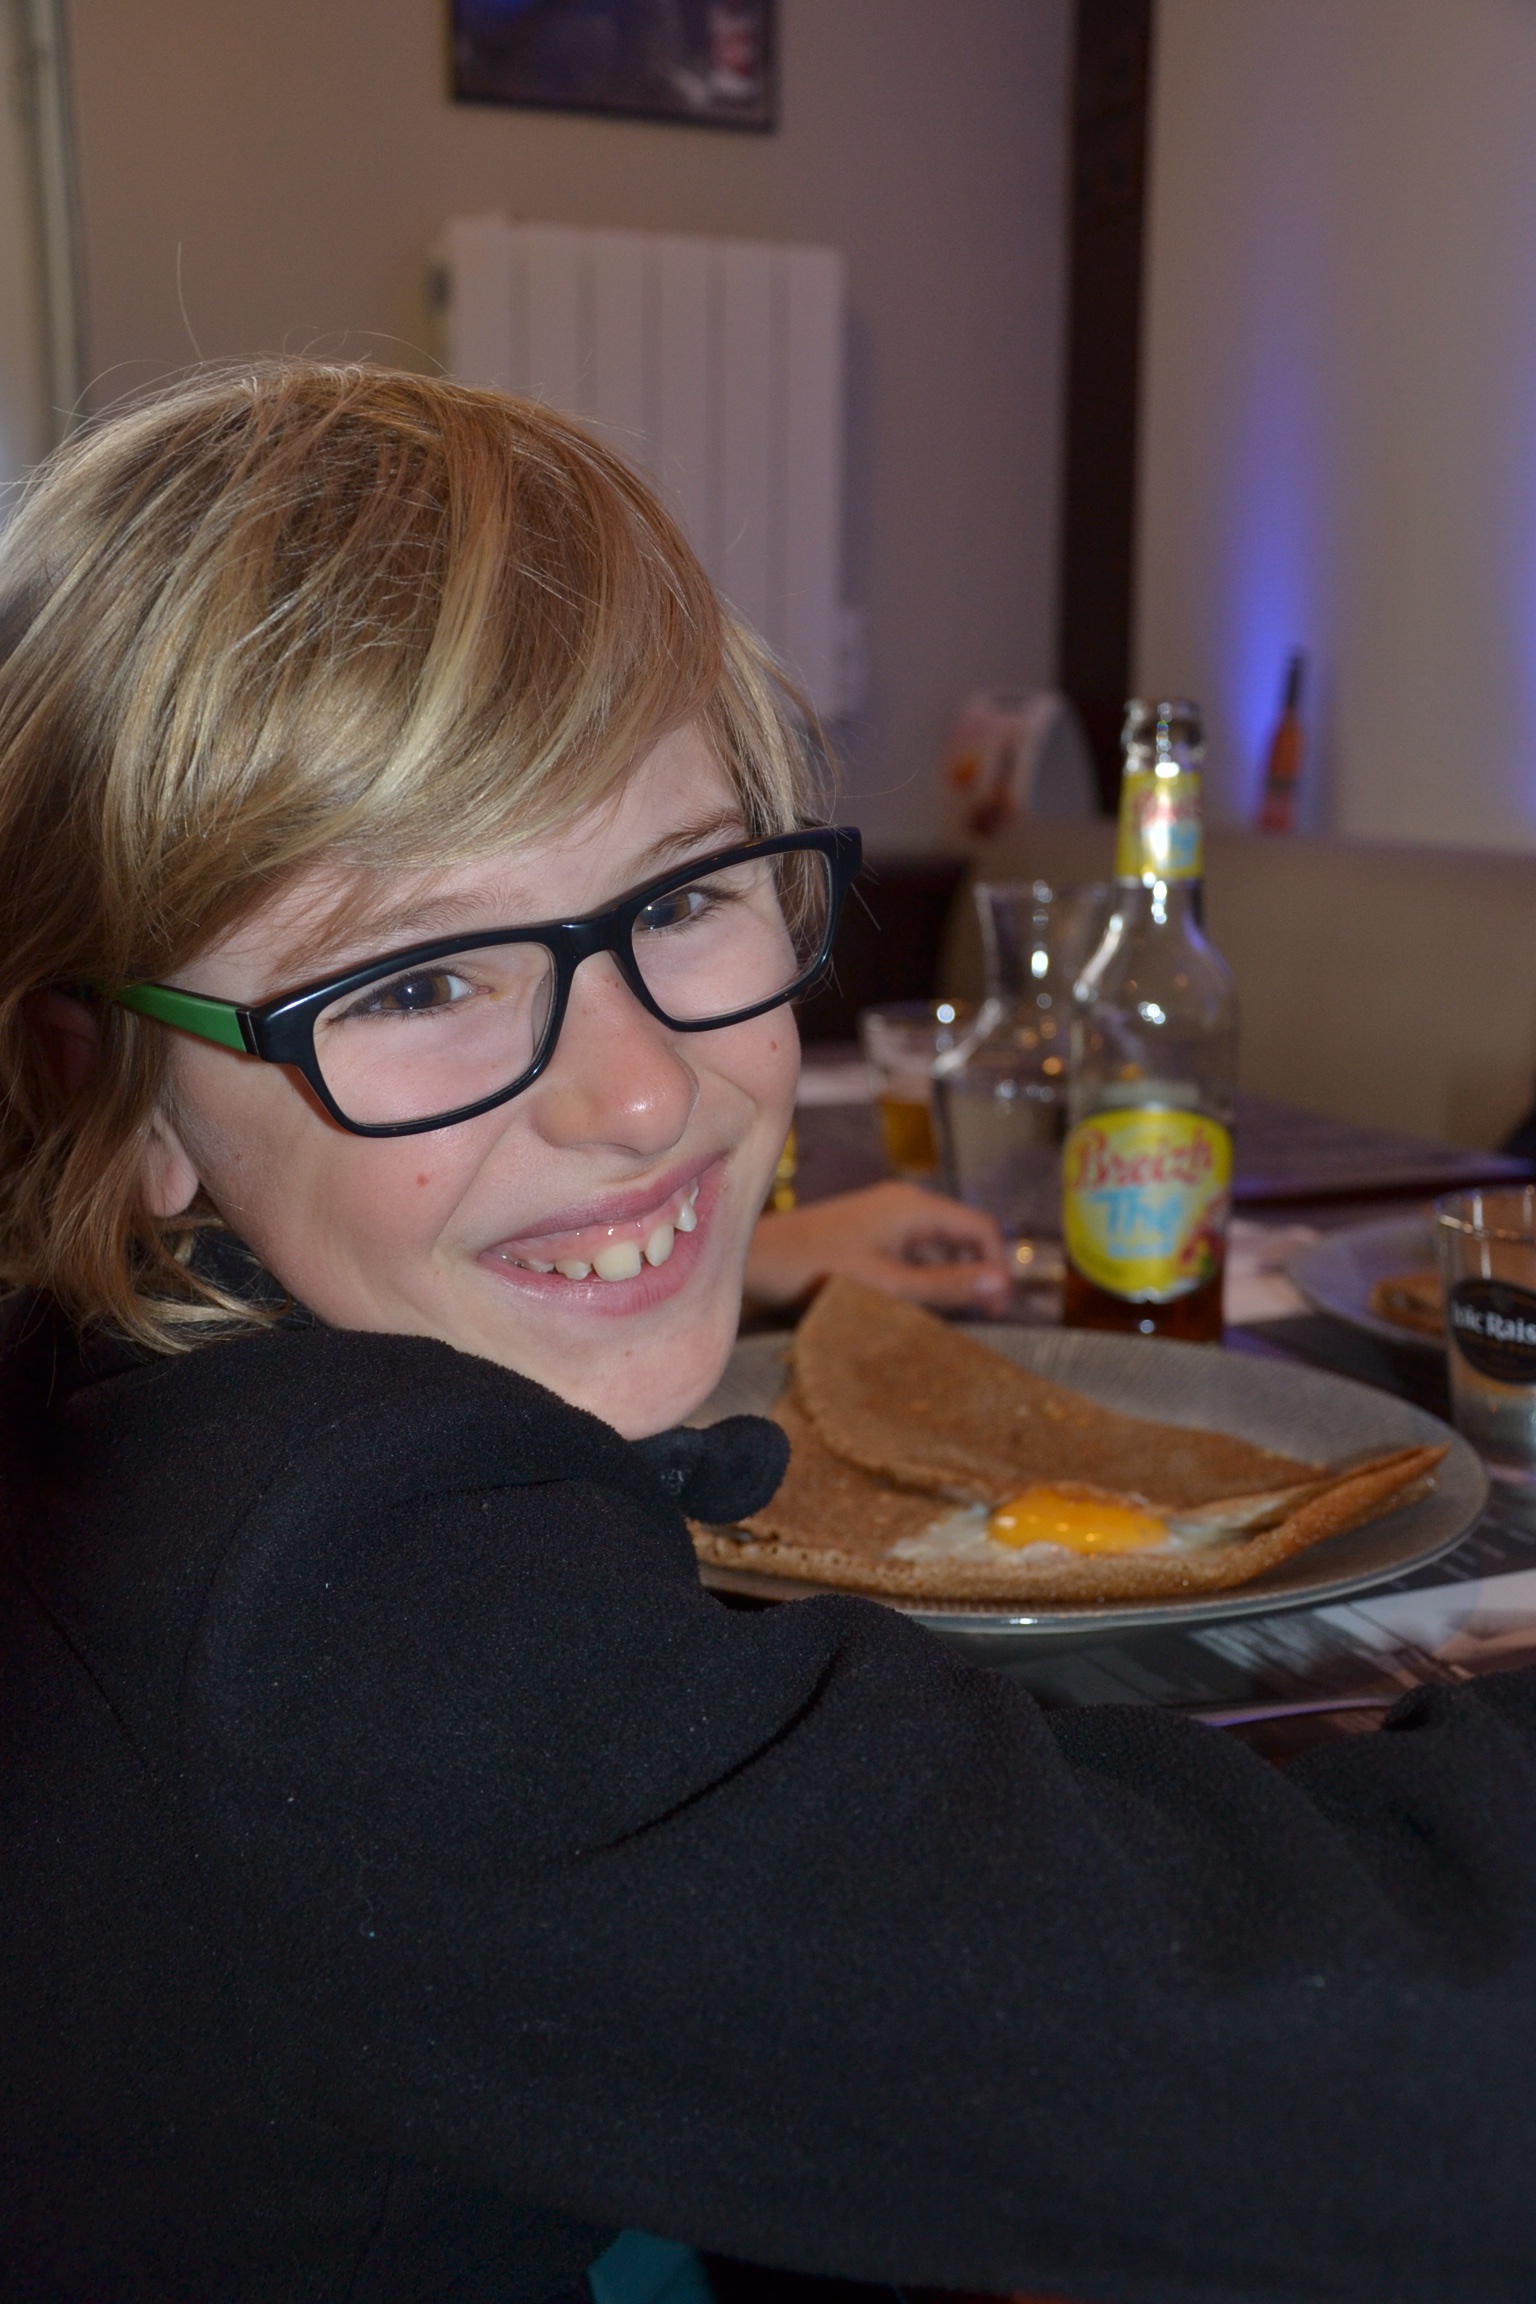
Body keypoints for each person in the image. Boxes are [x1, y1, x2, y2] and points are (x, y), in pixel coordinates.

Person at [1, 363, 1533, 2304]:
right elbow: (1433, 2067)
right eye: (417, 984)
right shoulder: (339, 1629)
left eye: (687, 896)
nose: (644, 1093)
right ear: (111, 1085)